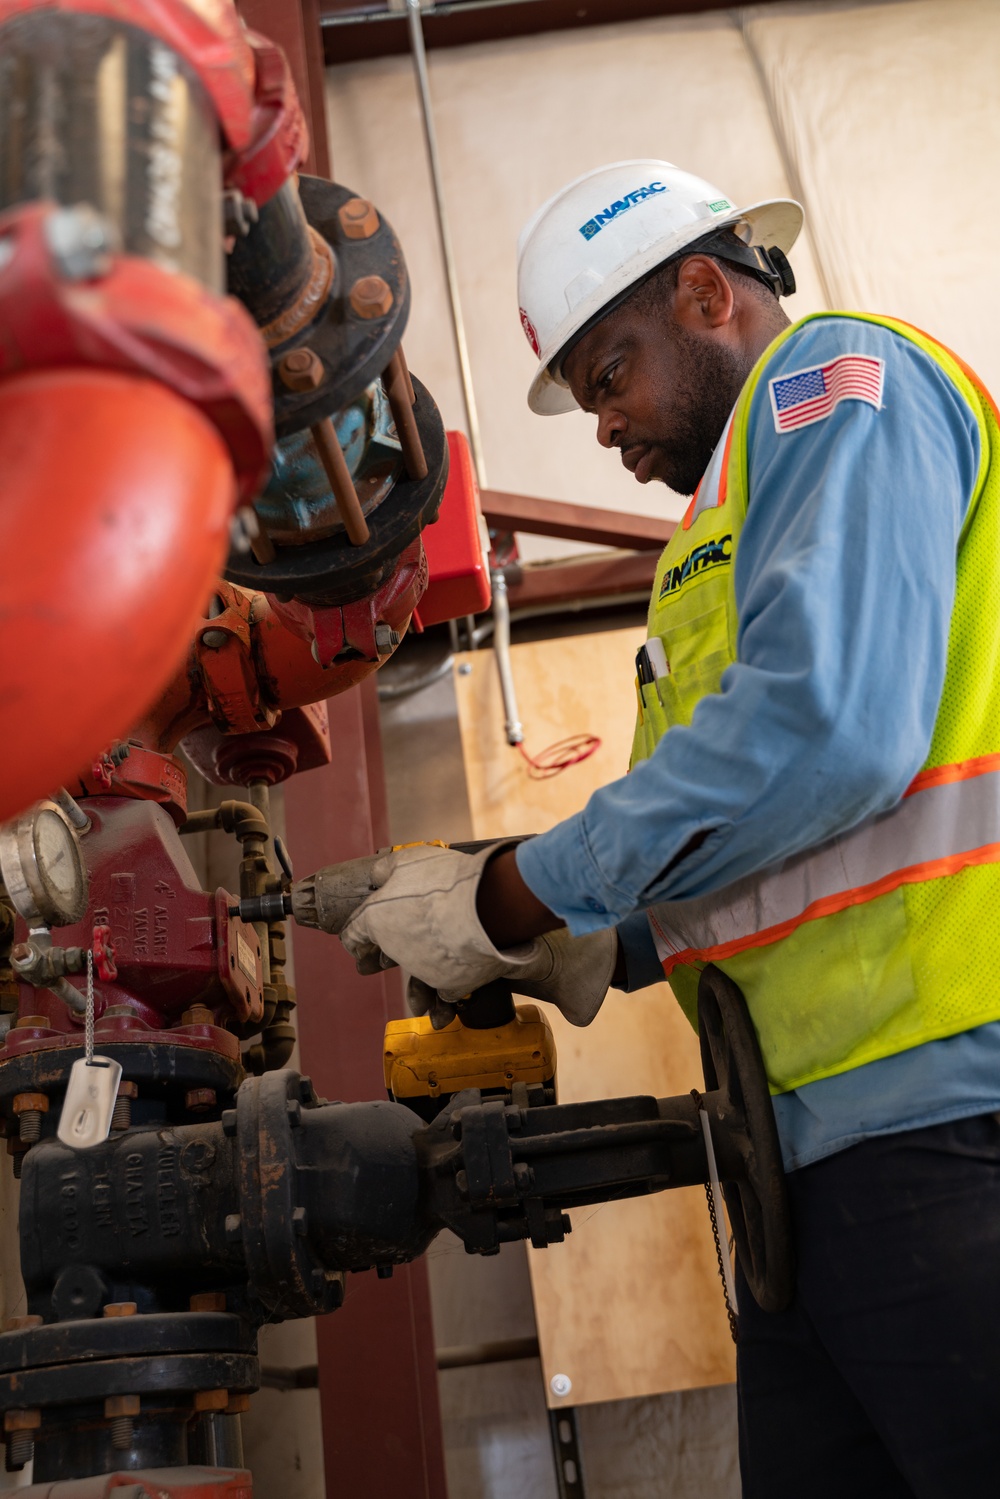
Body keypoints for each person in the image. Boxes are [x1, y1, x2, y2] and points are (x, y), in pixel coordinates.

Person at [317, 160, 1000, 1497]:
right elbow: (762, 835)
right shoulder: (730, 524)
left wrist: (514, 899)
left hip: (946, 1114)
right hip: (803, 1164)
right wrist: (583, 939)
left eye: (609, 375)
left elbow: (826, 736)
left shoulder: (833, 385)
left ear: (703, 291)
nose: (605, 431)